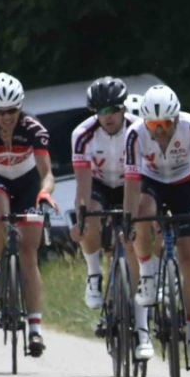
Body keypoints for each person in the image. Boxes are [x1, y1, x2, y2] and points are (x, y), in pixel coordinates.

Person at [122, 83, 190, 369]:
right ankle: (148, 273)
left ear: (176, 118)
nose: (160, 130)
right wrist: (128, 219)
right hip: (152, 183)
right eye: (153, 124)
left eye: (165, 124)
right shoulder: (134, 134)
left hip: (185, 185)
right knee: (142, 212)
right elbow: (132, 183)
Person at [0, 72, 55, 356]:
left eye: (12, 111)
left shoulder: (33, 128)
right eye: (0, 112)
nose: (6, 118)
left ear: (21, 107)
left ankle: (35, 329)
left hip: (28, 183)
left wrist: (45, 193)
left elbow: (47, 173)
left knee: (29, 254)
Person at [70, 76, 134, 316]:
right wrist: (82, 216)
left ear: (123, 108)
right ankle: (94, 274)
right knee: (90, 215)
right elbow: (82, 185)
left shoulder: (138, 129)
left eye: (113, 110)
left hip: (130, 182)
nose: (108, 117)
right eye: (101, 111)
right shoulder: (82, 134)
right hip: (99, 183)